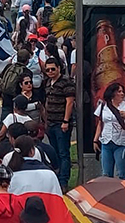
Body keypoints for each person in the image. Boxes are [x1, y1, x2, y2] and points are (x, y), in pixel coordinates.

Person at [93, 82, 125, 179]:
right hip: (106, 141)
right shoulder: (103, 106)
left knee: (121, 173)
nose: (122, 94)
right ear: (112, 93)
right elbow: (100, 123)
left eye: (123, 92)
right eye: (119, 91)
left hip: (122, 143)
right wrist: (95, 140)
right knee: (106, 173)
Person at [40, 57, 74, 189]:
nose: (50, 71)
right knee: (54, 152)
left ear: (59, 68)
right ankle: (57, 178)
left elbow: (69, 102)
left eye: (53, 69)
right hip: (50, 123)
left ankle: (63, 181)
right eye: (47, 69)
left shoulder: (66, 82)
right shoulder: (47, 82)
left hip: (61, 123)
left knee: (63, 152)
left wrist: (65, 121)